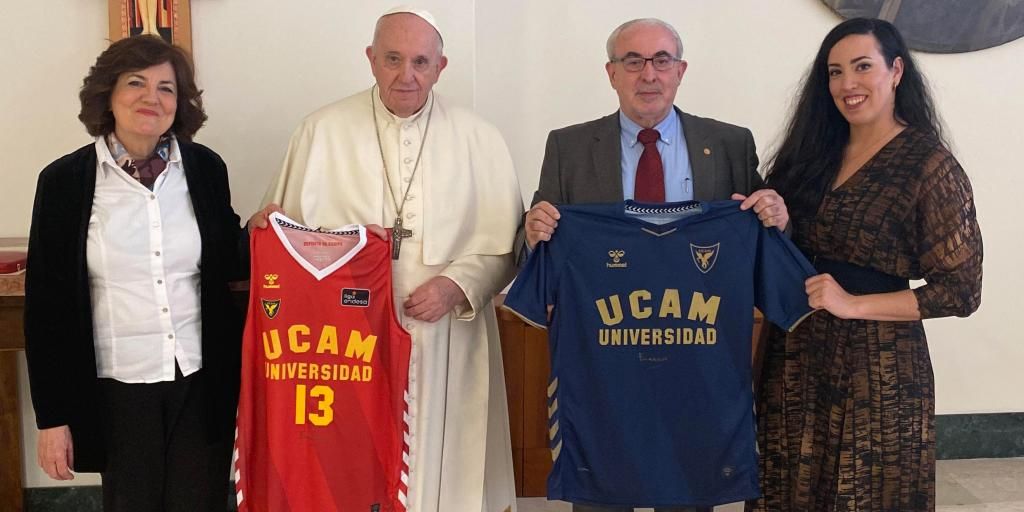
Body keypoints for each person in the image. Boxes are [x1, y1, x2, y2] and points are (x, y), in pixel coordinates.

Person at [248, 7, 522, 512]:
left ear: (441, 66)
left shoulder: (478, 136)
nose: (407, 75)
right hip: (345, 344)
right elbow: (278, 239)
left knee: (441, 474)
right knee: (349, 469)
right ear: (371, 60)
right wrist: (265, 228)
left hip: (442, 335)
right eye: (393, 59)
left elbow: (505, 245)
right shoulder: (320, 130)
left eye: (421, 61)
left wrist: (456, 286)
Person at [519, 18, 788, 512]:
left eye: (662, 60)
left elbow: (757, 238)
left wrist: (776, 216)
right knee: (602, 495)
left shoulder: (730, 144)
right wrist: (533, 232)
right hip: (606, 363)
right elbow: (533, 247)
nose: (649, 74)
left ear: (680, 71)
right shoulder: (570, 146)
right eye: (633, 61)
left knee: (688, 493)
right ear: (611, 73)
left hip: (695, 359)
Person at [749, 18, 983, 511]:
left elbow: (960, 290)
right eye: (835, 72)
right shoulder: (809, 153)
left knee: (864, 492)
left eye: (862, 67)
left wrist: (853, 304)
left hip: (876, 367)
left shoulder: (928, 165)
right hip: (793, 356)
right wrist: (778, 218)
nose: (847, 84)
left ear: (896, 71)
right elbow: (789, 247)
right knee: (789, 486)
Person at [23, 35, 245, 512]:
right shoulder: (64, 182)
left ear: (179, 102)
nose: (152, 98)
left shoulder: (205, 169)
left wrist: (273, 232)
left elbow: (227, 259)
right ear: (108, 93)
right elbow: (47, 307)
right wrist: (52, 418)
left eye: (166, 88)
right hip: (117, 387)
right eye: (136, 83)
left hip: (199, 378)